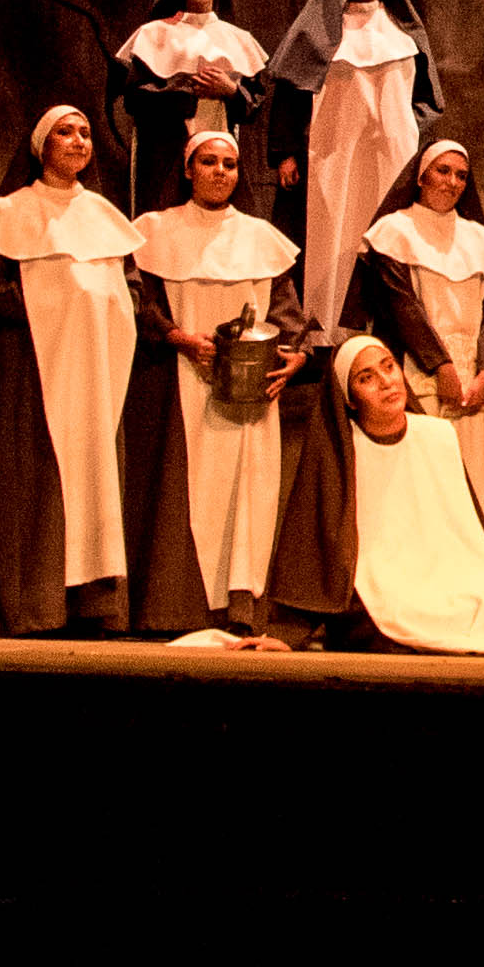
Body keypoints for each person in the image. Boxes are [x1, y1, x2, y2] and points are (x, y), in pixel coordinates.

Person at [0, 104, 154, 635]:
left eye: (85, 133)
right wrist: (56, 306)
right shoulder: (11, 211)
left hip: (97, 372)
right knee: (36, 478)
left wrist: (104, 307)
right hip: (31, 370)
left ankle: (92, 607)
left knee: (95, 479)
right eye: (65, 132)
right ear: (40, 147)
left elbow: (133, 288)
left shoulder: (104, 215)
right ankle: (32, 607)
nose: (78, 141)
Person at [127, 130, 308, 637]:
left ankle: (240, 609)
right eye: (209, 162)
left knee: (245, 492)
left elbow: (286, 315)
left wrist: (295, 359)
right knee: (181, 489)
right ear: (188, 169)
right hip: (178, 380)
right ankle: (172, 609)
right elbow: (140, 303)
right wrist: (177, 337)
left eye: (229, 164)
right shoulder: (154, 231)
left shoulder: (260, 236)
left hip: (251, 396)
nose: (220, 172)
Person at [328, 333, 484, 658]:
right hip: (383, 577)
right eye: (366, 378)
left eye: (388, 367)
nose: (386, 382)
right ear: (349, 398)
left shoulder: (437, 435)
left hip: (446, 569)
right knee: (377, 618)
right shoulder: (344, 451)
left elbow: (466, 531)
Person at [269, 0, 440, 333]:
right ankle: (326, 331)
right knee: (331, 237)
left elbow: (428, 99)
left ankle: (391, 330)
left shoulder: (405, 32)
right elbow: (291, 92)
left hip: (391, 157)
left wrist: (406, 130)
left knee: (388, 237)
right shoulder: (320, 29)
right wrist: (286, 152)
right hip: (332, 152)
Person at [357, 138, 484, 523]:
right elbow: (403, 308)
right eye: (442, 171)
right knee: (423, 487)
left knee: (471, 484)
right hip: (419, 374)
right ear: (420, 177)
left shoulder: (480, 239)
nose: (452, 182)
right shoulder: (395, 231)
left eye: (461, 175)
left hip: (473, 383)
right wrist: (442, 367)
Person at [111, 0, 271, 218]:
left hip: (222, 144)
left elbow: (254, 103)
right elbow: (134, 97)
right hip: (166, 150)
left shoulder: (239, 38)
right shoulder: (152, 34)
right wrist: (188, 90)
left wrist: (231, 91)